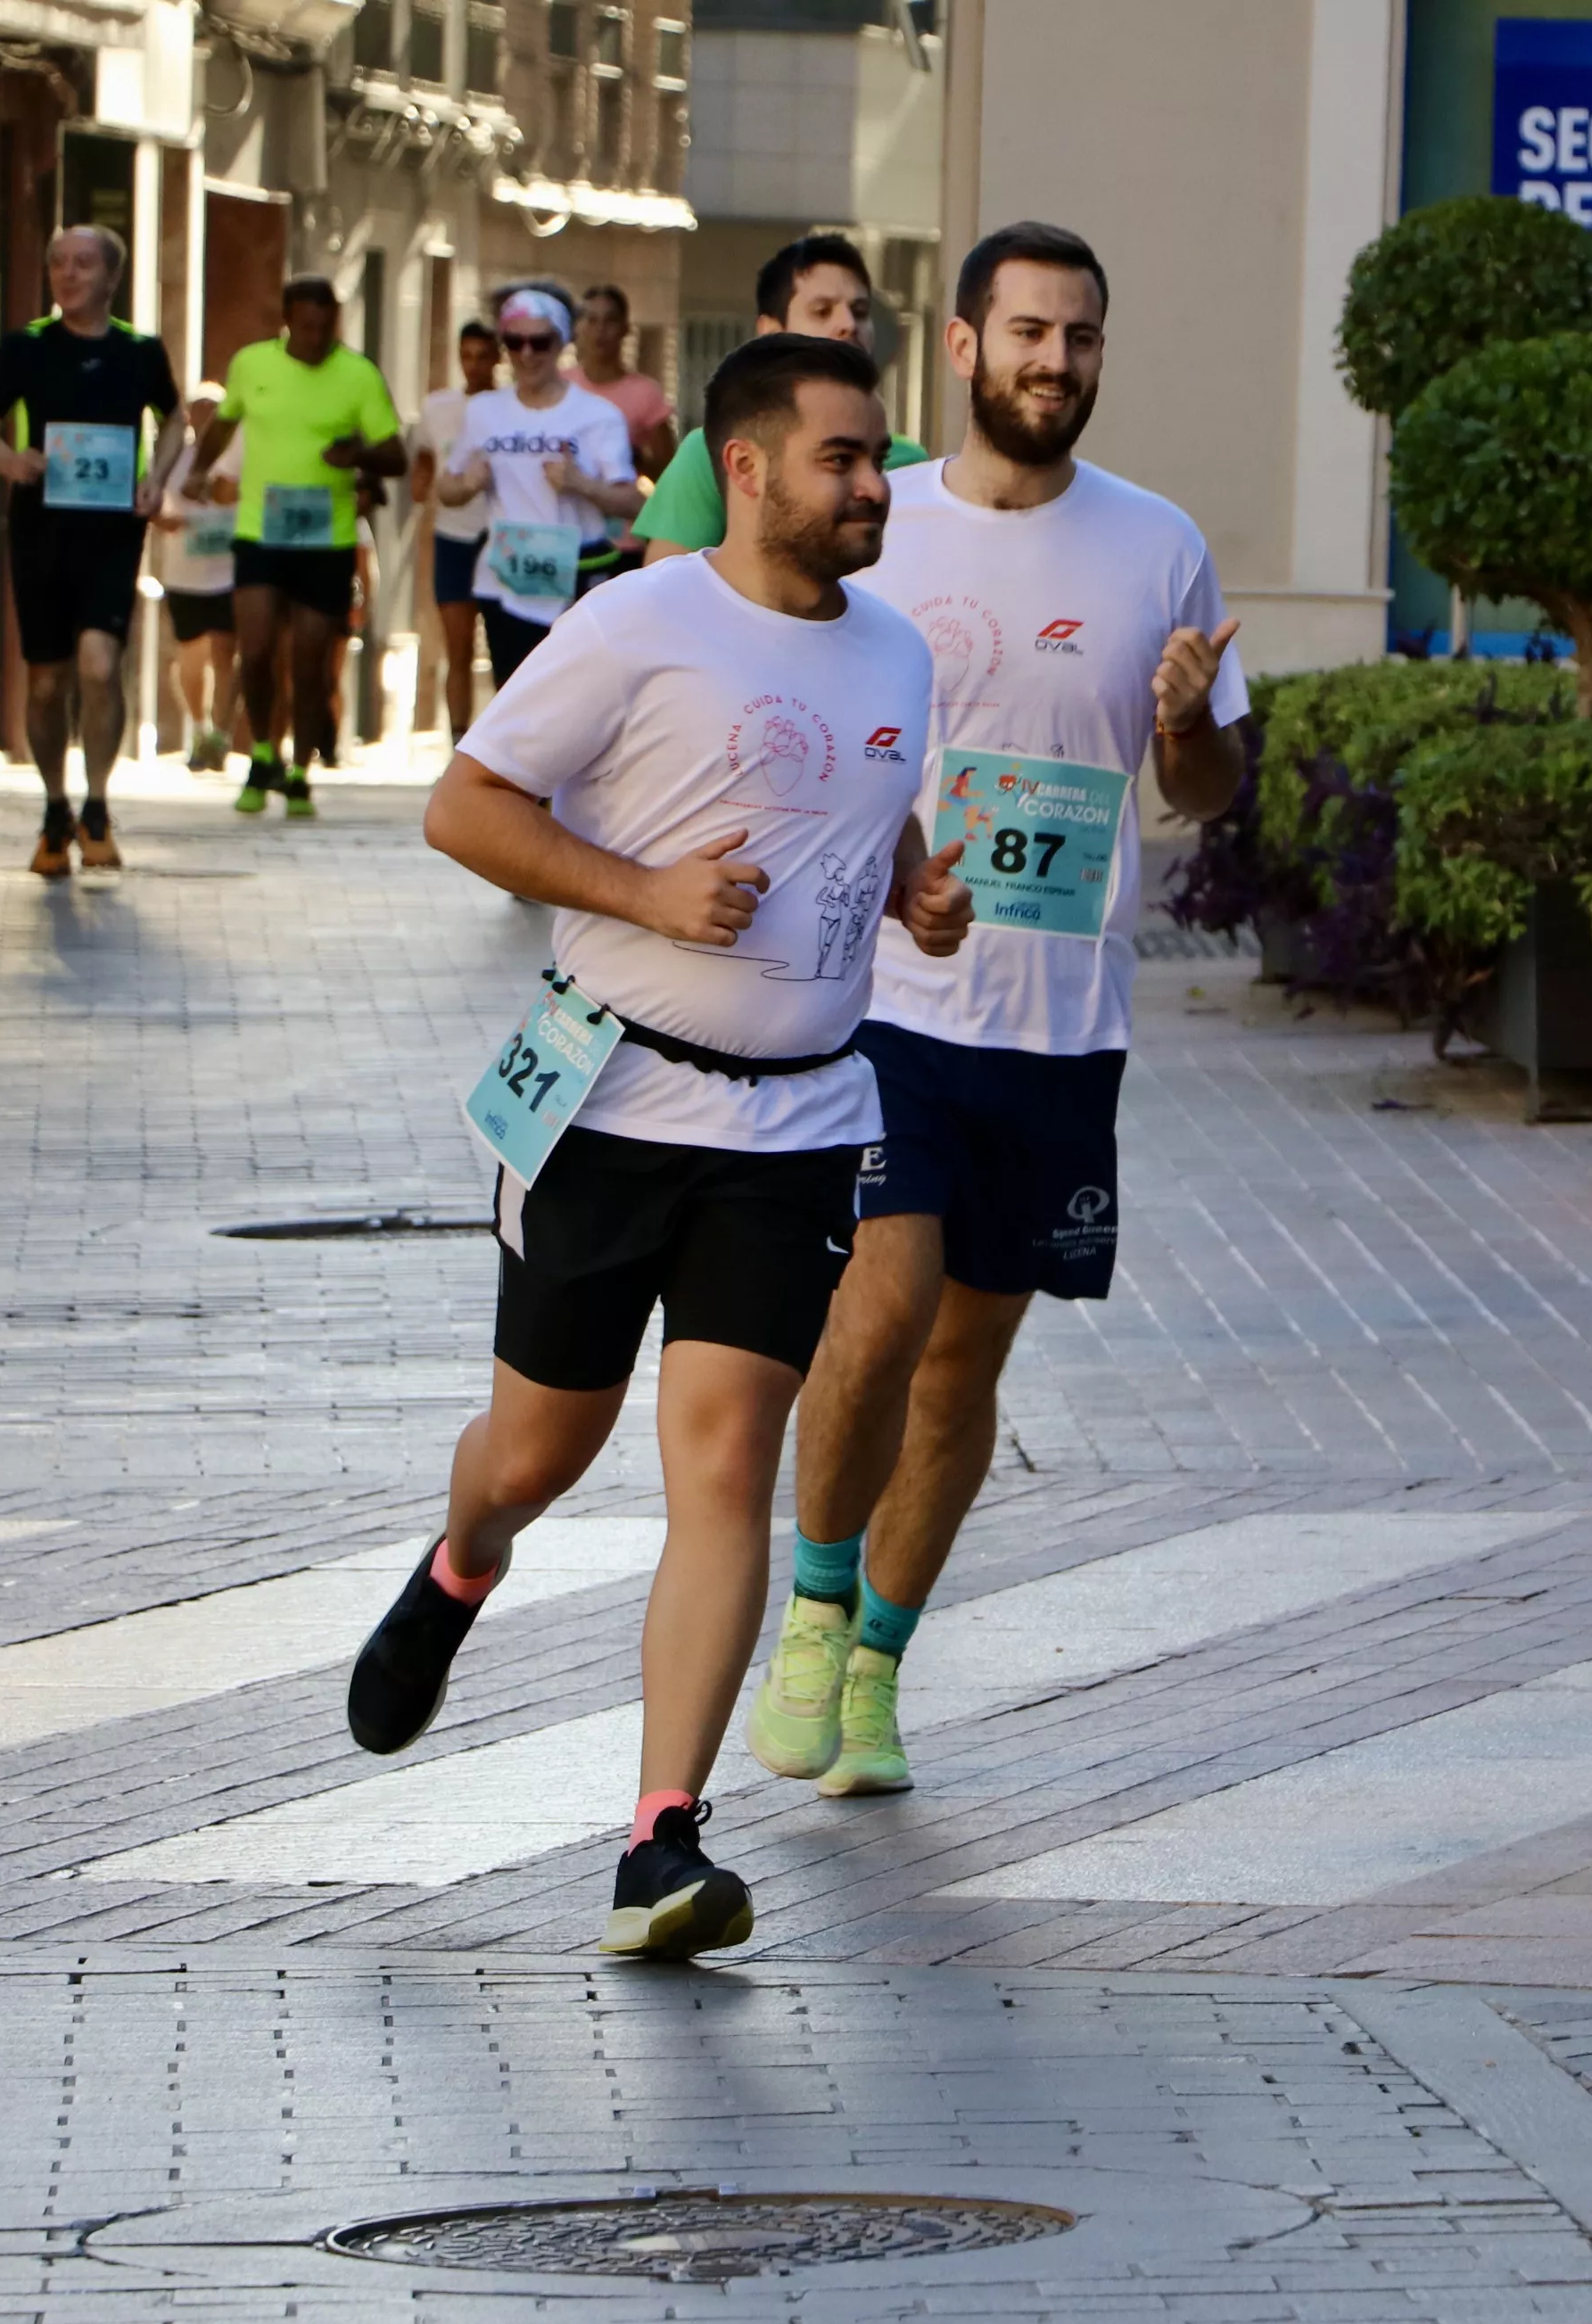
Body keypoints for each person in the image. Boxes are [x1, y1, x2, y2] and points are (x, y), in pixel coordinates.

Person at [341, 334, 973, 1959]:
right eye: (841, 458)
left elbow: (868, 797)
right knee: (539, 1453)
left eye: (878, 456)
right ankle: (459, 1563)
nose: (871, 487)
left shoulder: (897, 652)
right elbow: (464, 808)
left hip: (801, 1118)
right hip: (613, 1100)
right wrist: (640, 894)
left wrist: (908, 886)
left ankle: (660, 1840)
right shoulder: (636, 625)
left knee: (718, 1465)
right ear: (747, 466)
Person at [745, 221, 1247, 1801]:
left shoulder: (1157, 545)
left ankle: (881, 1662)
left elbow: (1206, 787)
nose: (1052, 362)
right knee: (877, 1317)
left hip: (1060, 1022)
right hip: (886, 1003)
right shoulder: (877, 522)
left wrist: (1184, 726)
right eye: (1026, 333)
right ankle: (812, 1610)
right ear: (959, 348)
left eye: (1079, 337)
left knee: (962, 1369)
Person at [0, 224, 179, 875]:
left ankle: (97, 802)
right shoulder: (26, 347)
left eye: (83, 265)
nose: (68, 275)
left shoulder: (141, 351)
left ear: (111, 277)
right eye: (59, 263)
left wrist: (156, 479)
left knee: (97, 662)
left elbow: (175, 420)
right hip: (42, 529)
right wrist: (12, 461)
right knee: (47, 679)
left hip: (113, 530)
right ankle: (55, 804)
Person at [193, 275, 405, 816]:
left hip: (325, 539)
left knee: (310, 665)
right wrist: (198, 470)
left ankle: (301, 769)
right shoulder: (252, 365)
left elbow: (396, 457)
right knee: (256, 650)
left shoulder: (359, 376)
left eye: (325, 327)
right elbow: (223, 423)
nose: (315, 338)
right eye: (306, 327)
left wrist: (358, 454)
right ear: (287, 320)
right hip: (261, 534)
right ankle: (262, 751)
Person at [639, 236, 929, 564]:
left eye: (860, 312)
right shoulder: (708, 453)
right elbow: (663, 594)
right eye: (822, 311)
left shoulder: (912, 463)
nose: (848, 325)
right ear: (771, 331)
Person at [435, 285, 640, 684]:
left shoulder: (597, 416)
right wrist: (468, 484)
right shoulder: (484, 412)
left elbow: (634, 502)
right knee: (513, 698)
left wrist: (583, 484)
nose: (527, 354)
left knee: (574, 698)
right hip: (505, 576)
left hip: (577, 572)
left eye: (539, 342)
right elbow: (446, 489)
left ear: (561, 342)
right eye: (515, 342)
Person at [412, 318, 501, 741]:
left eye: (483, 356)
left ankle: (507, 748)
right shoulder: (438, 408)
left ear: (498, 358)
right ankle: (459, 742)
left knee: (508, 651)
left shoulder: (512, 407)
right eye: (467, 356)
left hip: (502, 537)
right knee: (458, 648)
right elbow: (425, 461)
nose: (474, 366)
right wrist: (422, 480)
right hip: (453, 538)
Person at [150, 383, 243, 771]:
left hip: (230, 573)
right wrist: (166, 520)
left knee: (225, 652)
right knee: (191, 656)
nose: (208, 414)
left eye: (215, 408)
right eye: (200, 407)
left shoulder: (241, 456)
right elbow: (151, 503)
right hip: (184, 575)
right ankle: (200, 726)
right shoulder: (174, 459)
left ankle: (220, 735)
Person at [572, 281, 676, 479]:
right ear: (578, 328)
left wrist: (633, 459)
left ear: (625, 328)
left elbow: (669, 472)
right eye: (592, 320)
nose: (600, 330)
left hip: (620, 504)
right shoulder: (559, 384)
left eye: (610, 321)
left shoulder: (646, 393)